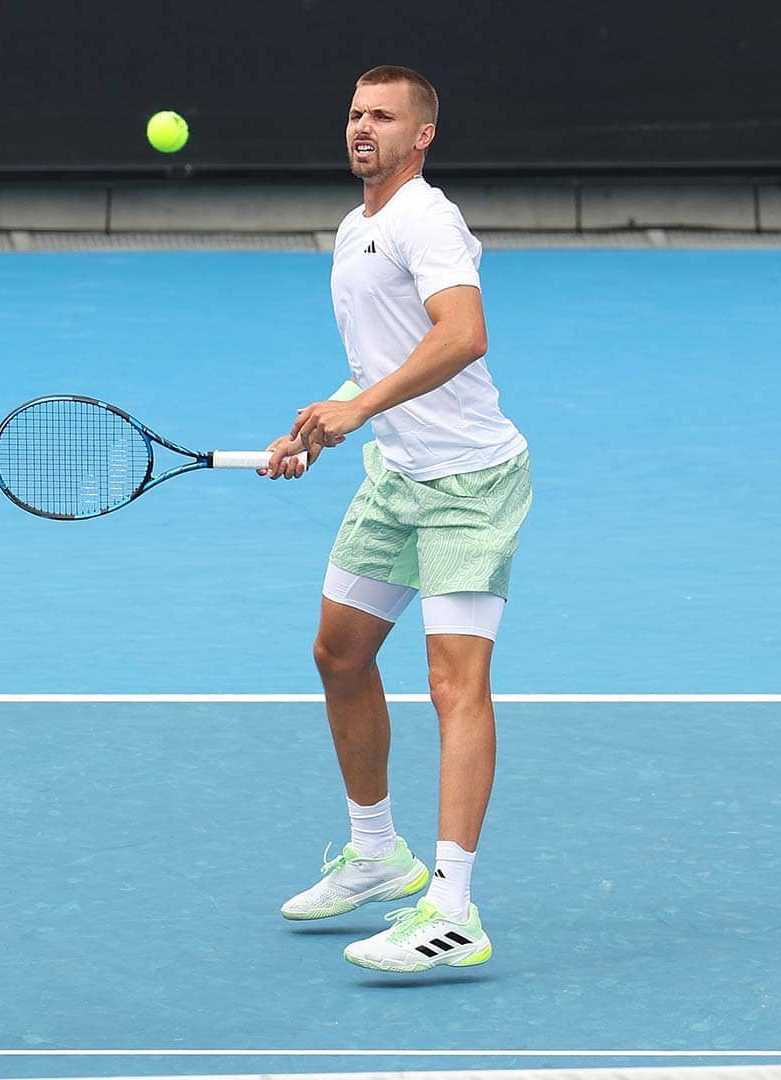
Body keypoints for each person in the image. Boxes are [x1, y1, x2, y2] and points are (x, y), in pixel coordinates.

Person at [259, 66, 532, 973]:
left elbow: (463, 335)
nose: (361, 128)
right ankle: (377, 853)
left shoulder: (425, 217)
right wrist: (325, 422)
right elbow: (388, 359)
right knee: (338, 652)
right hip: (398, 476)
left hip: (467, 484)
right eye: (353, 114)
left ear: (422, 136)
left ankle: (453, 908)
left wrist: (359, 406)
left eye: (382, 116)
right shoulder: (355, 227)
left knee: (456, 685)